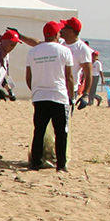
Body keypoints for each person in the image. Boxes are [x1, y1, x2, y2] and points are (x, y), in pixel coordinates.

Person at [23, 21, 75, 170]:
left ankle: (36, 162)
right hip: (58, 95)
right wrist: (71, 96)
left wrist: (35, 89)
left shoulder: (33, 52)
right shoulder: (64, 51)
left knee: (39, 131)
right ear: (56, 34)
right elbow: (69, 77)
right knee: (61, 132)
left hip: (40, 96)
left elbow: (29, 77)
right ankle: (61, 164)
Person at [0, 28, 24, 160]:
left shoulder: (5, 56)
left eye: (15, 45)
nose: (13, 47)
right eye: (12, 44)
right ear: (4, 42)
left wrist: (8, 89)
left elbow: (3, 75)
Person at [66, 18, 100, 109]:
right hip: (56, 88)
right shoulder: (60, 42)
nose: (61, 29)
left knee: (64, 121)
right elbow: (38, 43)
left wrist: (85, 95)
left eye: (64, 27)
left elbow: (88, 73)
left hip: (70, 90)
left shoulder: (82, 48)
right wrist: (22, 37)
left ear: (70, 31)